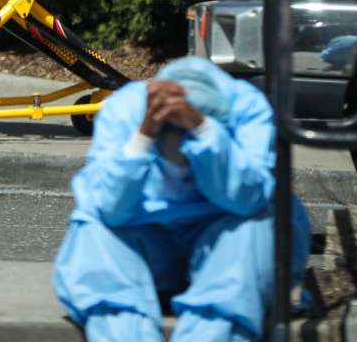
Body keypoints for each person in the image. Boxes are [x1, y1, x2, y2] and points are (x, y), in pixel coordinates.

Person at [52, 56, 313, 342]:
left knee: (258, 223)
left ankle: (213, 331)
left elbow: (248, 198)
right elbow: (108, 206)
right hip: (145, 249)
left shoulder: (247, 107)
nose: (180, 138)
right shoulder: (125, 109)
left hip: (222, 253)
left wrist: (204, 130)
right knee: (93, 232)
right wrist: (145, 134)